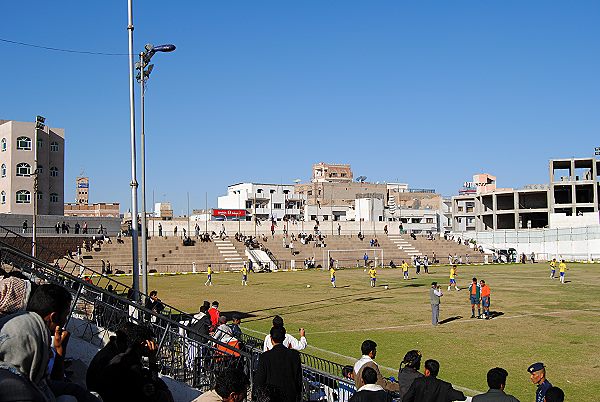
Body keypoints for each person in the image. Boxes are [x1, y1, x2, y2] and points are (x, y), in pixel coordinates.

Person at [95, 322, 173, 402]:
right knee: (162, 394)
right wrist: (152, 358)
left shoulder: (119, 351)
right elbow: (151, 385)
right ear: (143, 343)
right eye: (149, 342)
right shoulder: (129, 361)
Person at [255, 326, 303, 402]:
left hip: (271, 397)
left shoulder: (265, 357)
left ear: (271, 339)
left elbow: (259, 380)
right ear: (284, 338)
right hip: (289, 396)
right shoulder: (294, 355)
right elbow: (298, 380)